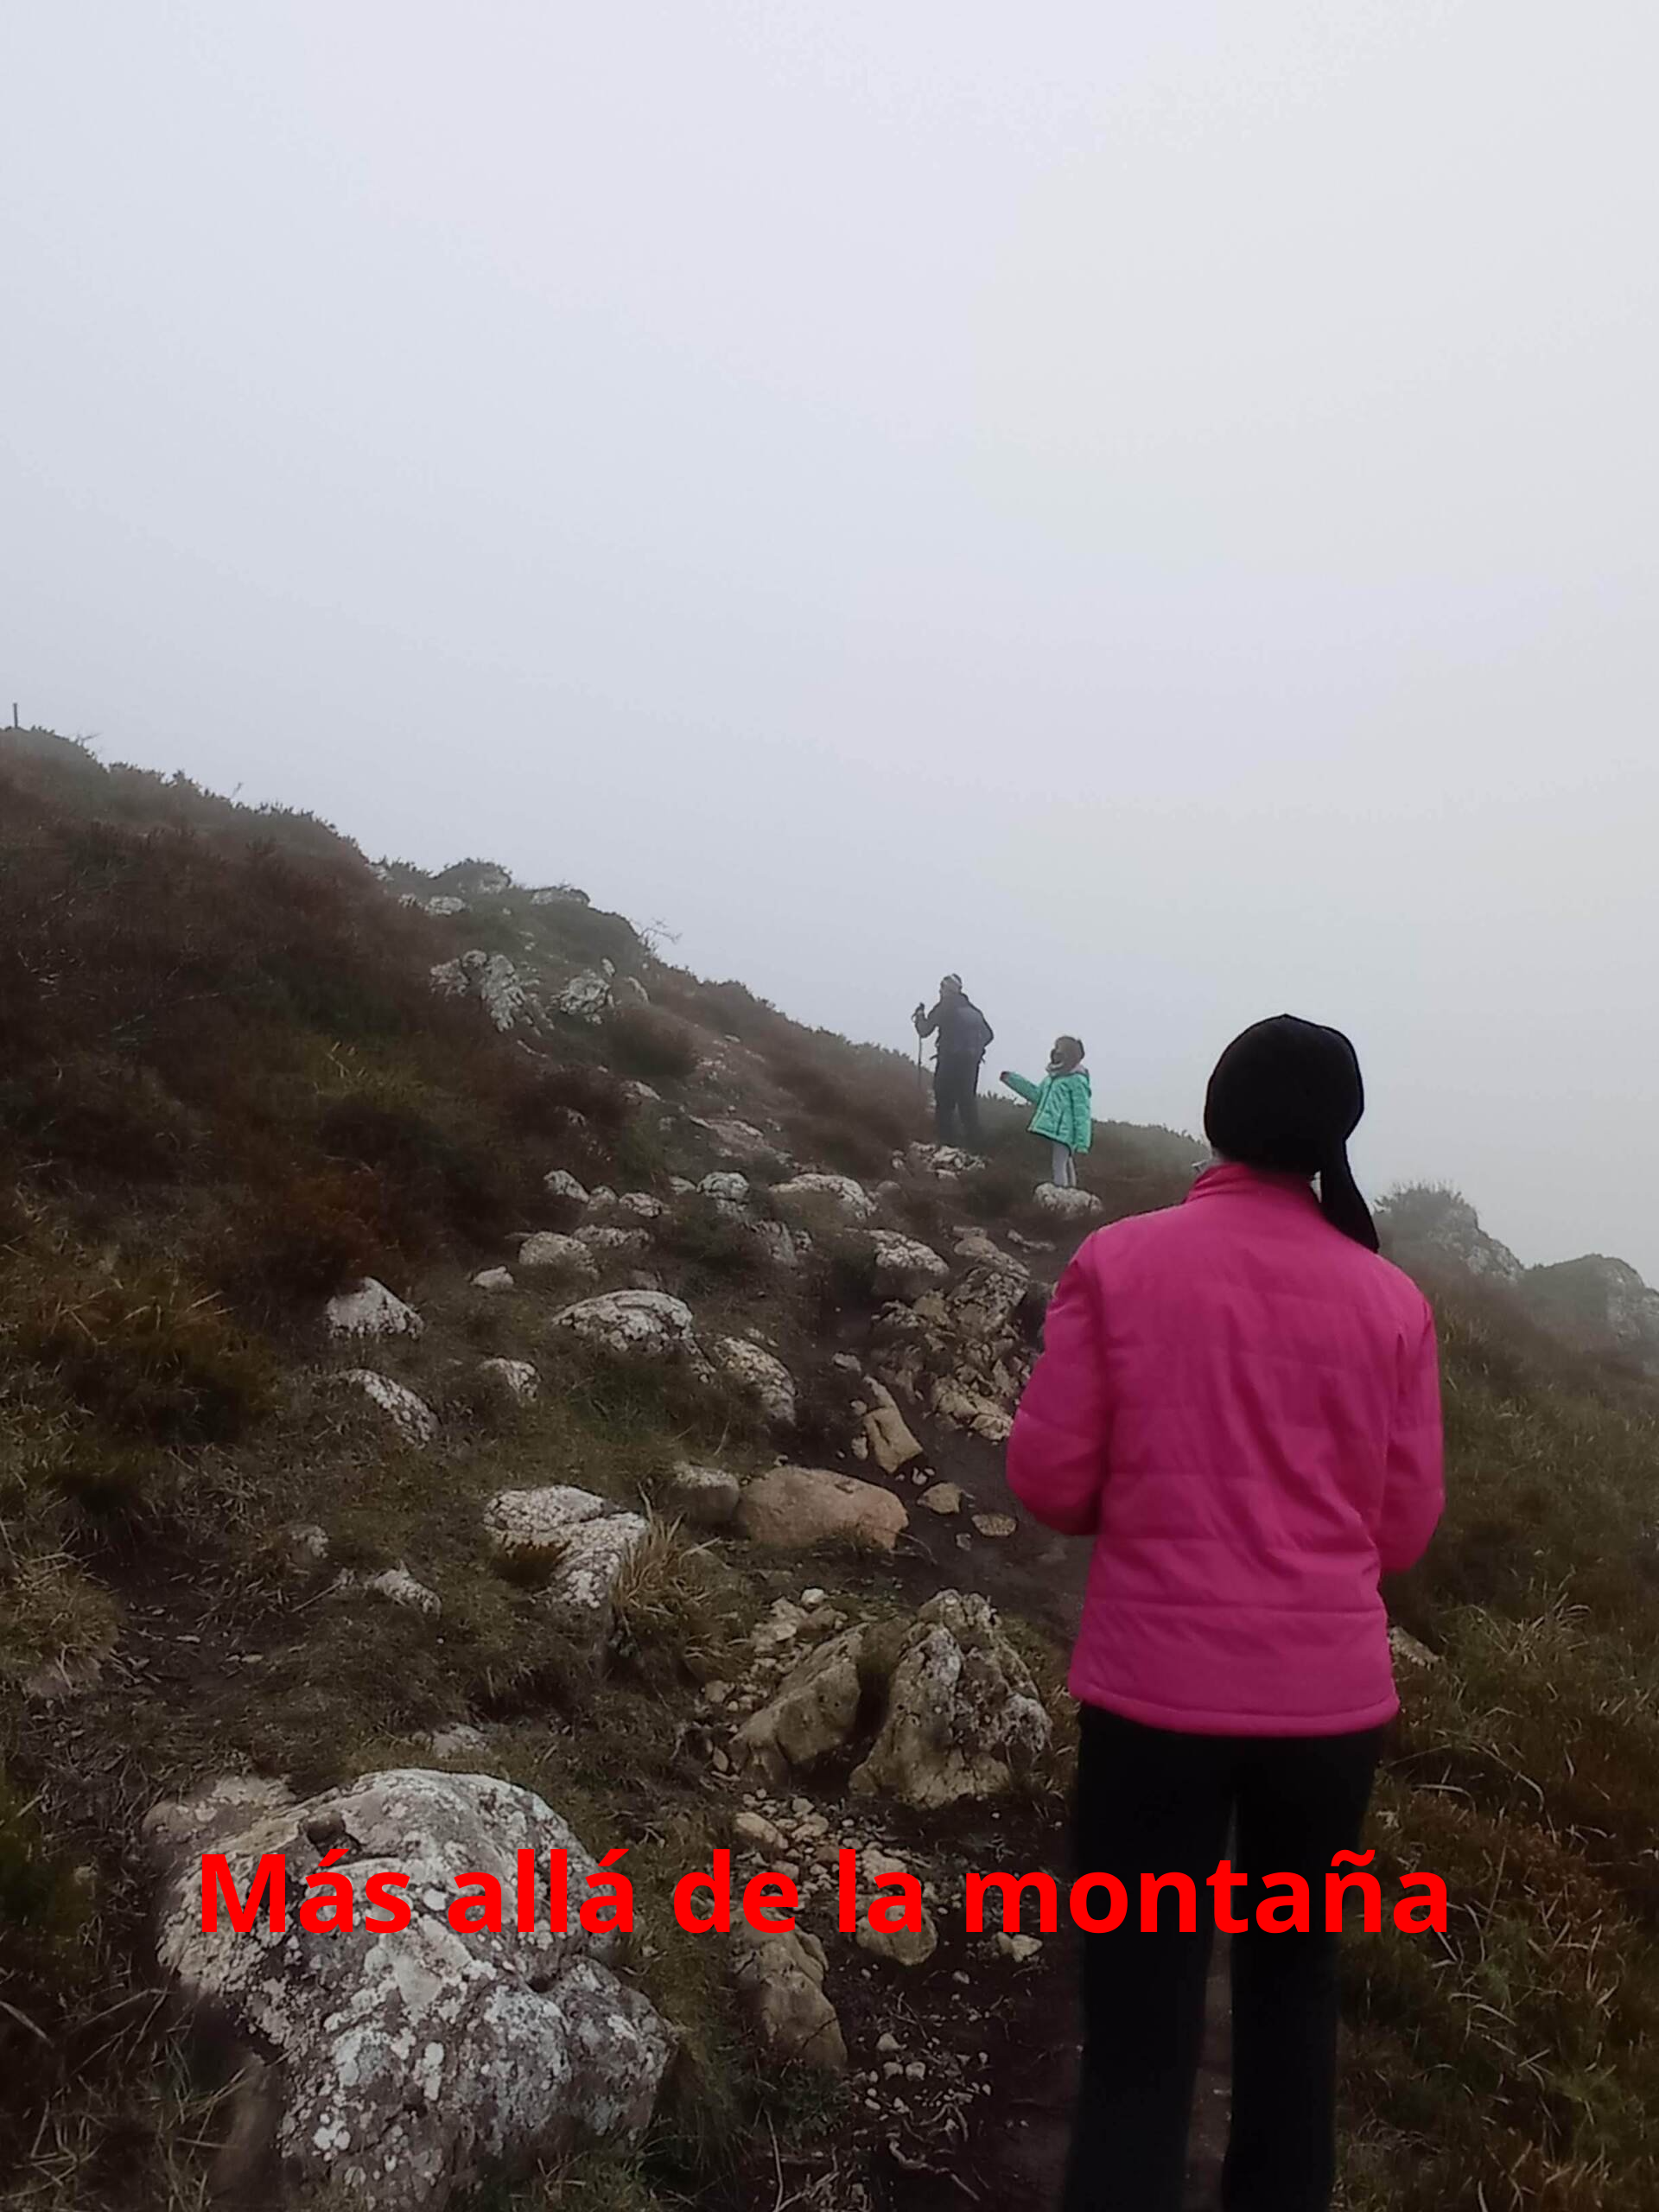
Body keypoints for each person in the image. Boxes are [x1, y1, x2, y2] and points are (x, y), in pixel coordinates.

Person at [1007, 1015, 1444, 2212]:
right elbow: (1400, 1535)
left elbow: (1049, 1484)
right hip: (1328, 1727)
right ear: (1332, 1137)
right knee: (1294, 2013)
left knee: (1142, 2044)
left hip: (1152, 1718)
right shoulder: (1394, 1301)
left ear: (1215, 1114)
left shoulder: (1120, 1260)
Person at [912, 975, 993, 1148]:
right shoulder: (973, 1010)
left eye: (942, 988)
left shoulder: (944, 1007)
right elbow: (989, 1035)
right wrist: (975, 1051)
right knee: (967, 1103)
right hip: (971, 1064)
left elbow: (924, 1030)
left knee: (944, 1101)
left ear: (947, 990)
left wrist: (919, 1015)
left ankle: (946, 1143)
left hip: (948, 1060)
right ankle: (976, 1146)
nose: (940, 991)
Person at [1000, 1036, 1092, 1188]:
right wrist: (1012, 1080)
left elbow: (1082, 1113)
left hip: (1063, 1133)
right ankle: (1069, 1194)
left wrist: (1083, 1143)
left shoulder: (1077, 1081)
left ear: (1069, 1055)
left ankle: (1063, 1198)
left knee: (1059, 1165)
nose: (1055, 1052)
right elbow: (1037, 1095)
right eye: (1055, 1049)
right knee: (1062, 1164)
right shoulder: (1051, 1078)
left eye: (1059, 1049)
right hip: (1049, 1129)